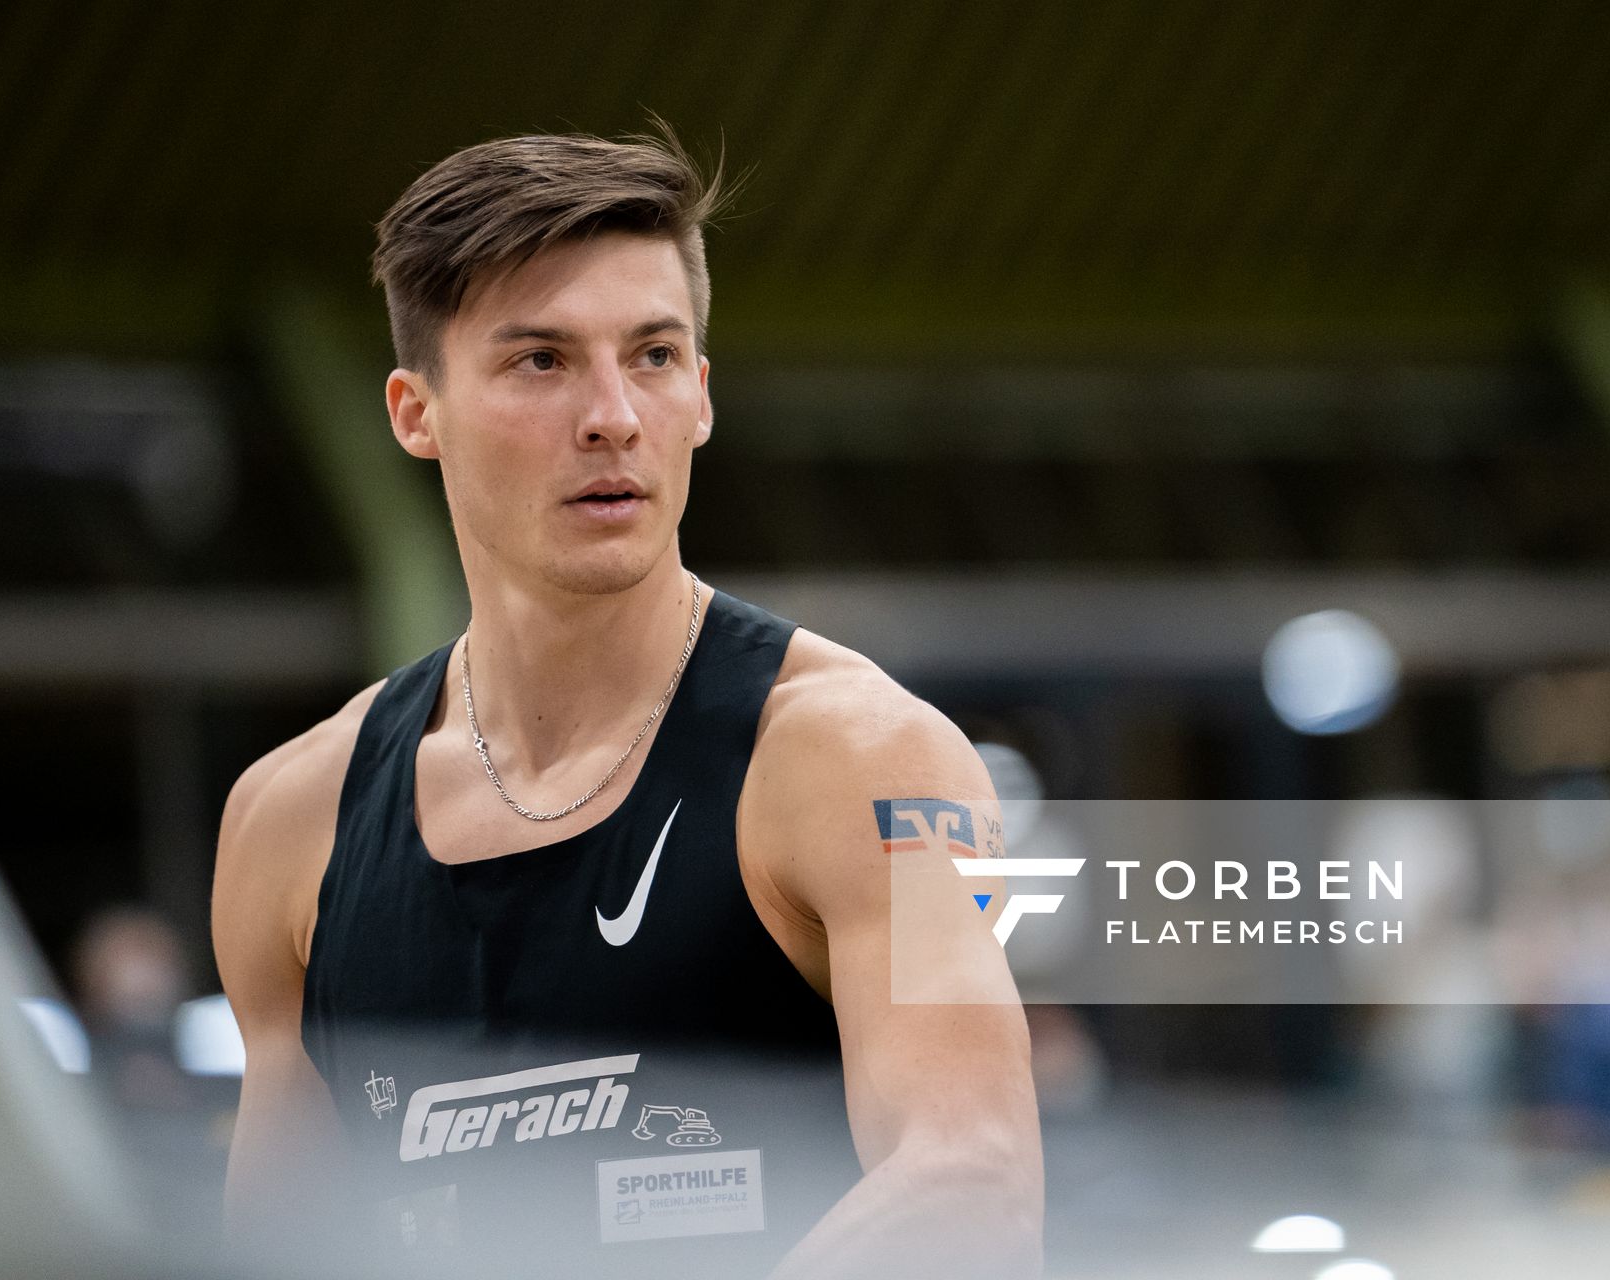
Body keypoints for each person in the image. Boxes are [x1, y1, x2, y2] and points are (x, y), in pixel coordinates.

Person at [211, 125, 1042, 1278]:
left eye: (652, 355)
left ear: (701, 395)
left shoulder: (862, 761)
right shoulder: (292, 820)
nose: (613, 414)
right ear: (415, 411)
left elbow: (973, 1181)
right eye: (541, 361)